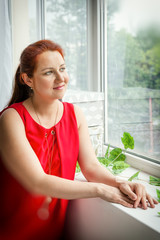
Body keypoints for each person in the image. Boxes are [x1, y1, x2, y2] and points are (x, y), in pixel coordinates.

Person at [0, 39, 158, 240]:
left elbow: (91, 167)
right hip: (10, 231)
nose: (61, 78)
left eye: (63, 69)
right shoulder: (12, 118)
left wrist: (120, 183)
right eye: (49, 72)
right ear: (28, 79)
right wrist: (101, 190)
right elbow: (37, 182)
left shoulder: (75, 115)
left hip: (54, 232)